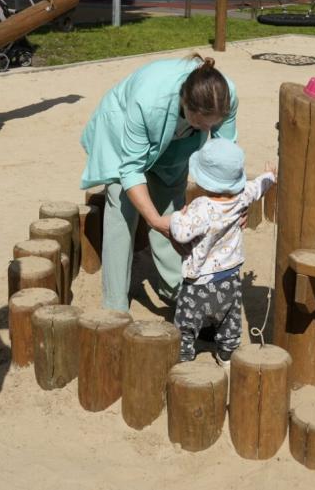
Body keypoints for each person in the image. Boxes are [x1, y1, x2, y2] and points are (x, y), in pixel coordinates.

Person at [80, 54, 238, 312]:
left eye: (213, 124)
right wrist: (152, 220)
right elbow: (131, 168)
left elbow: (225, 154)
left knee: (172, 209)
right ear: (186, 103)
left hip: (177, 139)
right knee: (122, 208)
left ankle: (176, 288)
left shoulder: (225, 96)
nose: (207, 128)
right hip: (124, 127)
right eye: (201, 123)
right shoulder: (149, 101)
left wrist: (232, 203)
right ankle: (115, 305)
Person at [159, 139, 275, 367]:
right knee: (230, 323)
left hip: (198, 285)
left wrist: (177, 216)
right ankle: (227, 356)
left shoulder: (201, 206)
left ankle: (185, 358)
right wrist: (270, 176)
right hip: (230, 279)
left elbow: (181, 233)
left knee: (186, 324)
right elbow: (257, 187)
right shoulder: (241, 197)